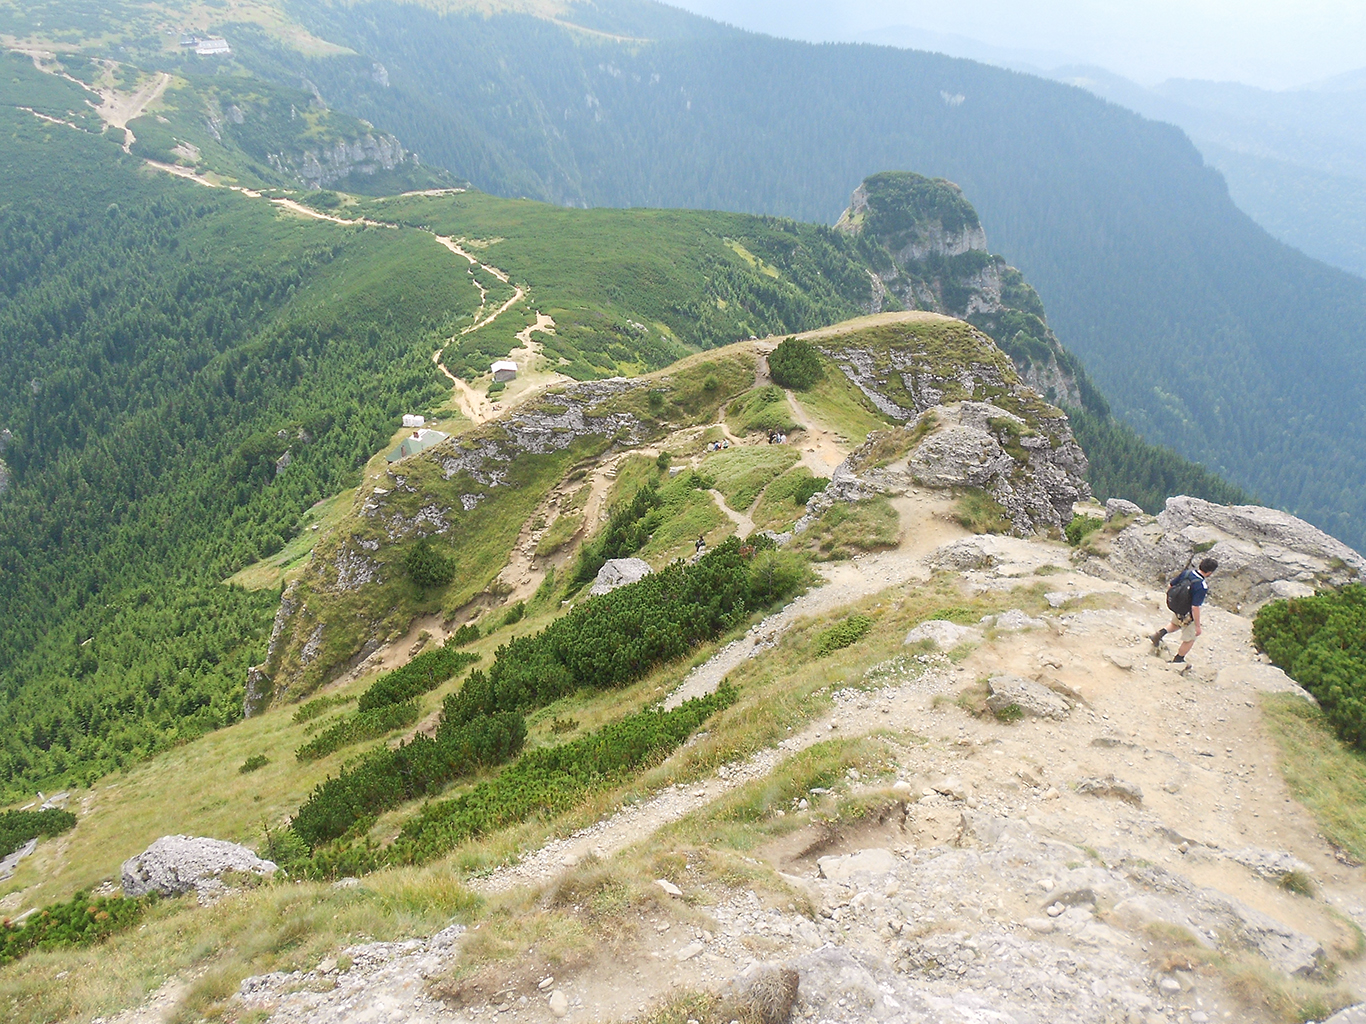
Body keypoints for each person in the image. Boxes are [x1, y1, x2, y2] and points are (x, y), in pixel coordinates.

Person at [1150, 557, 1218, 663]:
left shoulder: (1187, 573)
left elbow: (1170, 585)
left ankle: (1158, 635)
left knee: (1175, 624)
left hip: (1178, 606)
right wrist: (1197, 626)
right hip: (1187, 613)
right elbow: (1195, 607)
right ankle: (1179, 659)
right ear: (1210, 572)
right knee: (1190, 638)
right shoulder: (1201, 586)